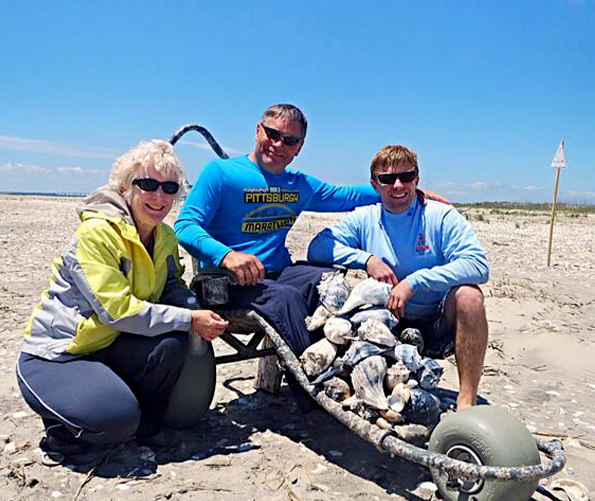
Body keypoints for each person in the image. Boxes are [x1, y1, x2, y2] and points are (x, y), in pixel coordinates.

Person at [175, 104, 446, 359]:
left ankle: (353, 361)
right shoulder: (221, 173)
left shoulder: (299, 184)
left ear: (299, 147)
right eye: (272, 134)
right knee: (287, 297)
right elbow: (185, 225)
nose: (278, 144)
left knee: (329, 282)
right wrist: (227, 256)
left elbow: (347, 196)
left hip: (277, 275)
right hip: (224, 283)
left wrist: (404, 191)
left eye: (290, 140)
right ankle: (316, 384)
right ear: (259, 131)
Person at [16, 140, 228, 464]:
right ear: (124, 187)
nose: (159, 197)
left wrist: (194, 308)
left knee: (170, 344)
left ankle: (144, 428)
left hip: (110, 345)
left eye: (169, 188)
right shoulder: (96, 234)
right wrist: (189, 319)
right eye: (148, 185)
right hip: (60, 355)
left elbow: (171, 284)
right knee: (116, 419)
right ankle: (65, 431)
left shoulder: (165, 237)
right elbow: (118, 312)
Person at [307, 145, 489, 409]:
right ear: (375, 185)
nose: (398, 185)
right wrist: (366, 260)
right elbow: (318, 247)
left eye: (406, 176)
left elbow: (478, 265)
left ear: (417, 179)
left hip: (436, 322)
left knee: (470, 296)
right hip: (383, 325)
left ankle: (466, 401)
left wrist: (415, 282)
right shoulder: (365, 218)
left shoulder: (440, 215)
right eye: (387, 179)